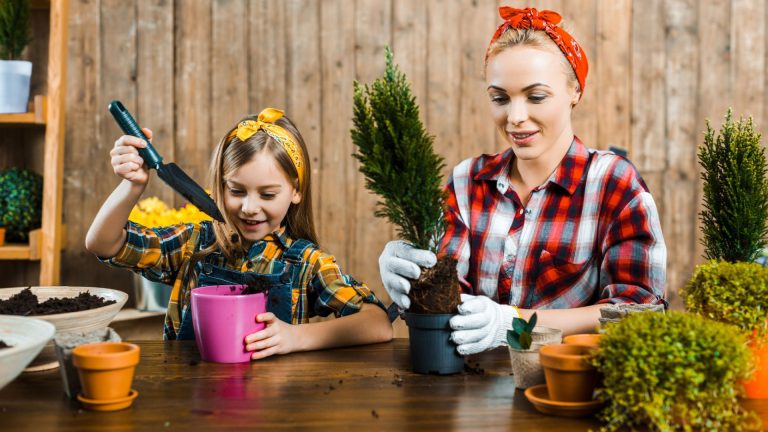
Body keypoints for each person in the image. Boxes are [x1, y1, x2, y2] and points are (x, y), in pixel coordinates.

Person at [379, 7, 666, 355]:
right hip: (471, 391)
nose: (515, 118)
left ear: (574, 91)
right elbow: (449, 299)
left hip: (567, 388)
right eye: (500, 98)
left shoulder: (614, 184)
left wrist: (514, 322)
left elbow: (638, 312)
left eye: (536, 96)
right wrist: (412, 273)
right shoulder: (466, 181)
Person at [86, 108, 393, 359]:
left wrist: (296, 337)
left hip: (277, 408)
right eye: (236, 190)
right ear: (221, 186)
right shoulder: (194, 244)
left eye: (268, 195)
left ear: (296, 191)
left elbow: (378, 324)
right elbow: (104, 243)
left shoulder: (306, 263)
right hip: (188, 400)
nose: (249, 208)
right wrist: (132, 186)